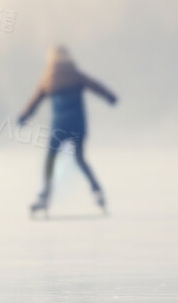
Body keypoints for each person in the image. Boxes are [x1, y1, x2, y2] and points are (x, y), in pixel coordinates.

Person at [16, 45, 117, 216]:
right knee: (80, 158)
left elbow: (35, 101)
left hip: (60, 126)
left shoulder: (48, 78)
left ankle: (45, 195)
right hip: (78, 125)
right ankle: (96, 190)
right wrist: (110, 97)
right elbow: (96, 86)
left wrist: (24, 117)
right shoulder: (76, 75)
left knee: (51, 158)